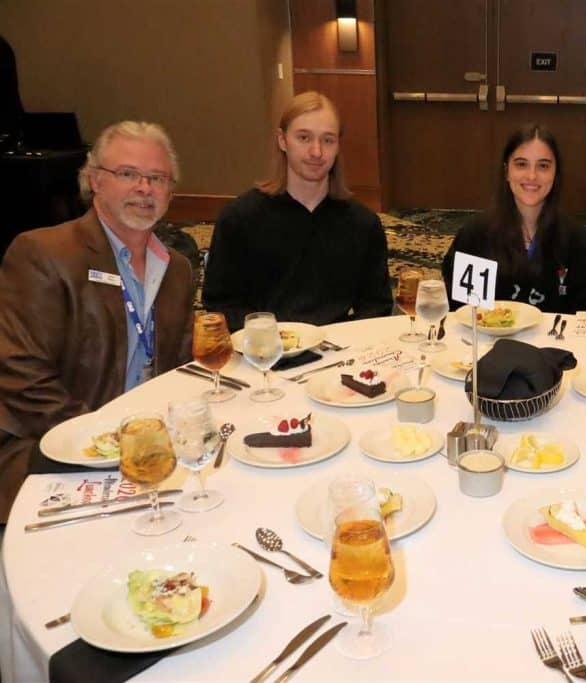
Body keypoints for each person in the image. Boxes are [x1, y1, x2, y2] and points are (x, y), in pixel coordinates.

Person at [0, 121, 195, 521]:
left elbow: (177, 369)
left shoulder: (176, 269)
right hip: (54, 445)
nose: (144, 188)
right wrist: (101, 443)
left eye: (157, 178)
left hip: (149, 447)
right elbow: (20, 372)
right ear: (94, 180)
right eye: (127, 174)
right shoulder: (44, 253)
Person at [202, 91, 392, 331]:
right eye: (304, 138)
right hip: (262, 354)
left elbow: (376, 305)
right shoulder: (239, 218)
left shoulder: (363, 224)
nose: (316, 152)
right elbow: (221, 303)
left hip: (340, 353)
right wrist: (268, 339)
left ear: (337, 147)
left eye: (328, 140)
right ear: (282, 141)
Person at [441, 123, 586, 313]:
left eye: (543, 166)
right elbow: (460, 312)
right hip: (489, 342)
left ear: (556, 173)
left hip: (555, 342)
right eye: (521, 164)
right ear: (506, 171)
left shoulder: (578, 242)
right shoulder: (475, 236)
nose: (532, 176)